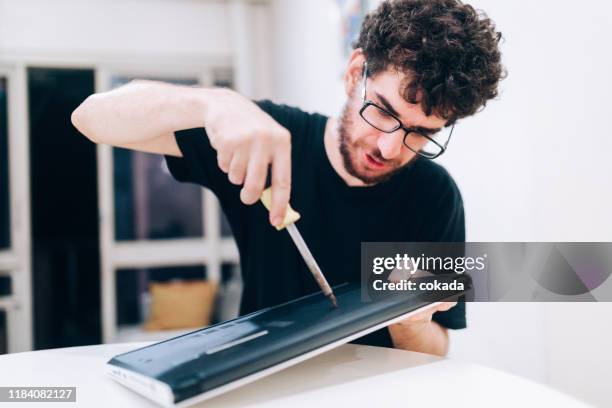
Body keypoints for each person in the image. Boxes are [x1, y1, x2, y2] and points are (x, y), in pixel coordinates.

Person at [72, 0, 504, 356]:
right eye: (385, 112)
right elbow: (91, 118)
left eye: (420, 133)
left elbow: (433, 353)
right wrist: (209, 104)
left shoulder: (435, 196)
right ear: (356, 74)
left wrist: (412, 319)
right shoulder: (265, 138)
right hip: (258, 382)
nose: (389, 149)